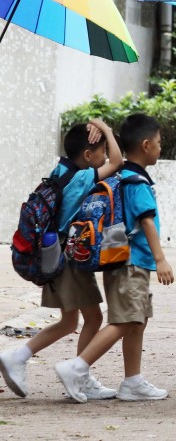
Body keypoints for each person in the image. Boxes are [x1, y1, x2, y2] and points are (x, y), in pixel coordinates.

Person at [54, 113, 173, 402]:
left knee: (137, 319)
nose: (160, 147)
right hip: (132, 260)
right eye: (158, 142)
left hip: (120, 256)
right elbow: (146, 221)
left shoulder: (122, 177)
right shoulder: (136, 182)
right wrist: (161, 259)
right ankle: (77, 367)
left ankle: (132, 380)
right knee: (124, 320)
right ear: (146, 145)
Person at [0, 120, 122, 400]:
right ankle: (78, 375)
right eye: (100, 151)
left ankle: (20, 358)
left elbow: (109, 158)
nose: (104, 156)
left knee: (70, 322)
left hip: (54, 254)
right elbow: (117, 161)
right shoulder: (80, 178)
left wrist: (100, 134)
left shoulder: (61, 171)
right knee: (94, 318)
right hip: (70, 259)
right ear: (89, 156)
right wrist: (104, 128)